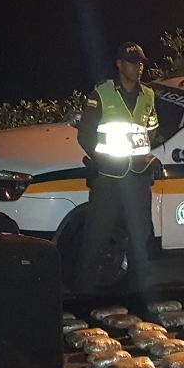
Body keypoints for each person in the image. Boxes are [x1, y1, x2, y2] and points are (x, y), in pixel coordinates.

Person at [74, 42, 160, 295]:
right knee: (96, 235)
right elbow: (85, 135)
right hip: (108, 178)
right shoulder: (102, 94)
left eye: (141, 63)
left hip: (138, 177)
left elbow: (152, 129)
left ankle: (140, 293)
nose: (139, 67)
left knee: (140, 236)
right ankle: (84, 292)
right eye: (133, 63)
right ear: (120, 65)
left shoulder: (148, 95)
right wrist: (101, 160)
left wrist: (142, 153)